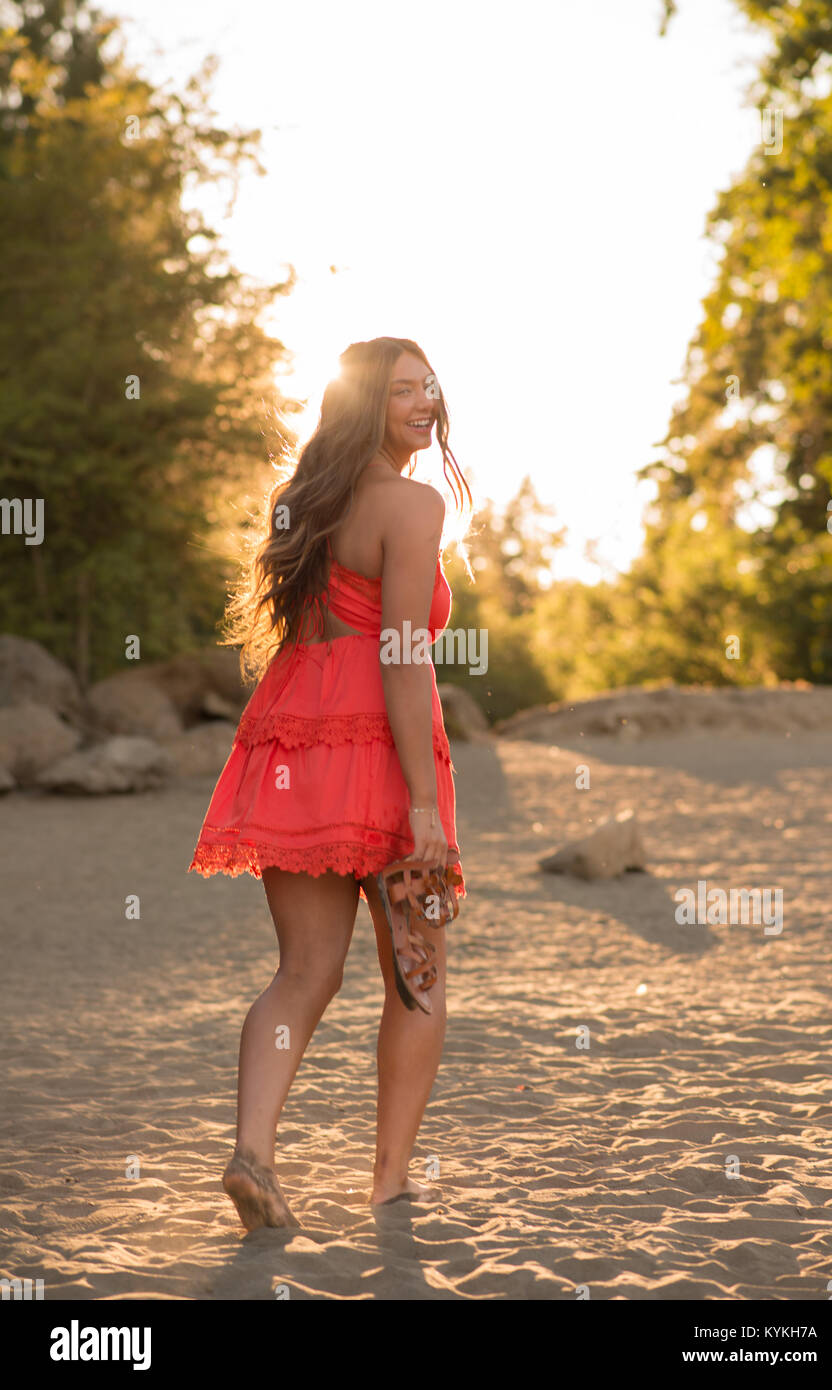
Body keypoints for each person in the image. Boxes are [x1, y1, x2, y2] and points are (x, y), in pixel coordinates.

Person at [187, 336, 473, 1231]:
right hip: (382, 760)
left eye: (427, 388)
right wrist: (423, 804)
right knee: (416, 980)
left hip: (293, 750)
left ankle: (254, 1154)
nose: (423, 404)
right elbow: (398, 654)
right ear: (363, 406)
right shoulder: (412, 504)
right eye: (399, 393)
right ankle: (388, 1184)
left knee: (303, 973)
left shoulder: (308, 503)